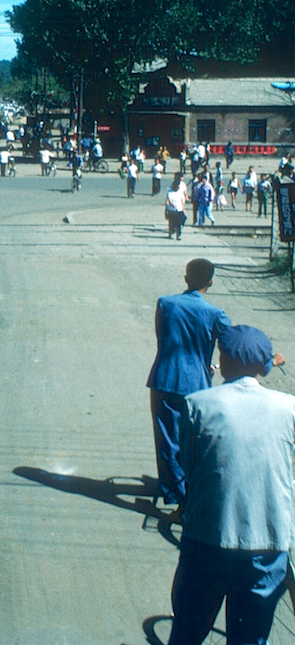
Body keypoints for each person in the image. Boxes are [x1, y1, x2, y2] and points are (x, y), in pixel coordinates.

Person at [167, 325, 290, 645]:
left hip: (208, 538)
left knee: (189, 630)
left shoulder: (197, 404)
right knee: (250, 637)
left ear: (224, 359)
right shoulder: (290, 407)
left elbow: (189, 468)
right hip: (267, 542)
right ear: (265, 365)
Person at [146, 258, 231, 508]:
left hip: (164, 379)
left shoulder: (165, 304)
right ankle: (194, 489)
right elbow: (230, 347)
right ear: (211, 282)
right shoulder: (216, 314)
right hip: (197, 385)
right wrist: (214, 366)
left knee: (167, 440)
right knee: (195, 441)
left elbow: (162, 338)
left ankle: (175, 495)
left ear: (186, 279)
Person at [165, 174, 188, 240]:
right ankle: (171, 233)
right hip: (171, 210)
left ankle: (178, 235)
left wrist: (183, 208)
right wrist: (169, 205)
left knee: (179, 224)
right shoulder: (170, 192)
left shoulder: (179, 192)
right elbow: (169, 199)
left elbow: (181, 201)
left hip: (178, 210)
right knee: (171, 223)